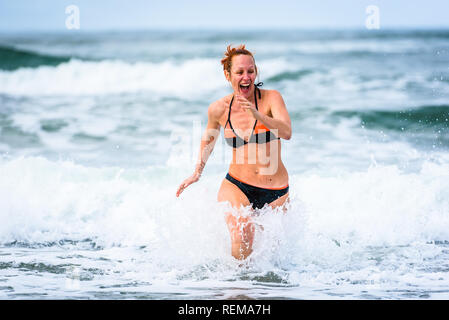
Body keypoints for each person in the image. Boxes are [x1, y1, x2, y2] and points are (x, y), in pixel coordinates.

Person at [176, 44, 291, 260]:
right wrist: (197, 172)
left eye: (251, 71)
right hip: (237, 185)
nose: (246, 77)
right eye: (240, 72)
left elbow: (286, 132)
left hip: (276, 192)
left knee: (269, 258)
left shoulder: (272, 98)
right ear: (228, 74)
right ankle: (237, 290)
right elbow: (208, 139)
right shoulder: (218, 108)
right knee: (242, 233)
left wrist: (258, 115)